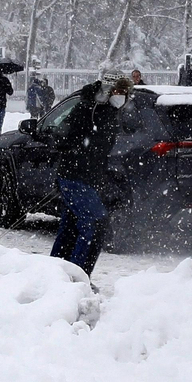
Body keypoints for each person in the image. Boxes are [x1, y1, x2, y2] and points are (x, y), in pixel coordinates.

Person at [49, 73, 133, 276]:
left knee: (71, 226)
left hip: (88, 178)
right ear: (106, 91)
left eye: (125, 93)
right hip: (75, 176)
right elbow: (62, 136)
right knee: (95, 224)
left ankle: (54, 274)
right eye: (118, 91)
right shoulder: (87, 109)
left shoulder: (110, 112)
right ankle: (77, 278)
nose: (121, 97)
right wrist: (78, 151)